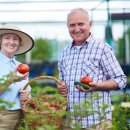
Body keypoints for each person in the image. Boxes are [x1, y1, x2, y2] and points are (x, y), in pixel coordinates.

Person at [57, 8, 127, 130]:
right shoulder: (65, 51)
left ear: (90, 24)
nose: (76, 29)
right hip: (69, 121)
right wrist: (61, 87)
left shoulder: (102, 48)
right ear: (67, 27)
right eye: (72, 25)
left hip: (96, 121)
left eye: (80, 24)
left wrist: (97, 86)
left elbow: (121, 79)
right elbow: (61, 80)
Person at [0, 24, 34, 130]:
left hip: (20, 117)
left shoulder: (20, 66)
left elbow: (28, 92)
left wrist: (27, 96)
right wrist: (9, 81)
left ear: (19, 43)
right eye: (7, 38)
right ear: (0, 41)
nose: (11, 42)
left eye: (15, 39)